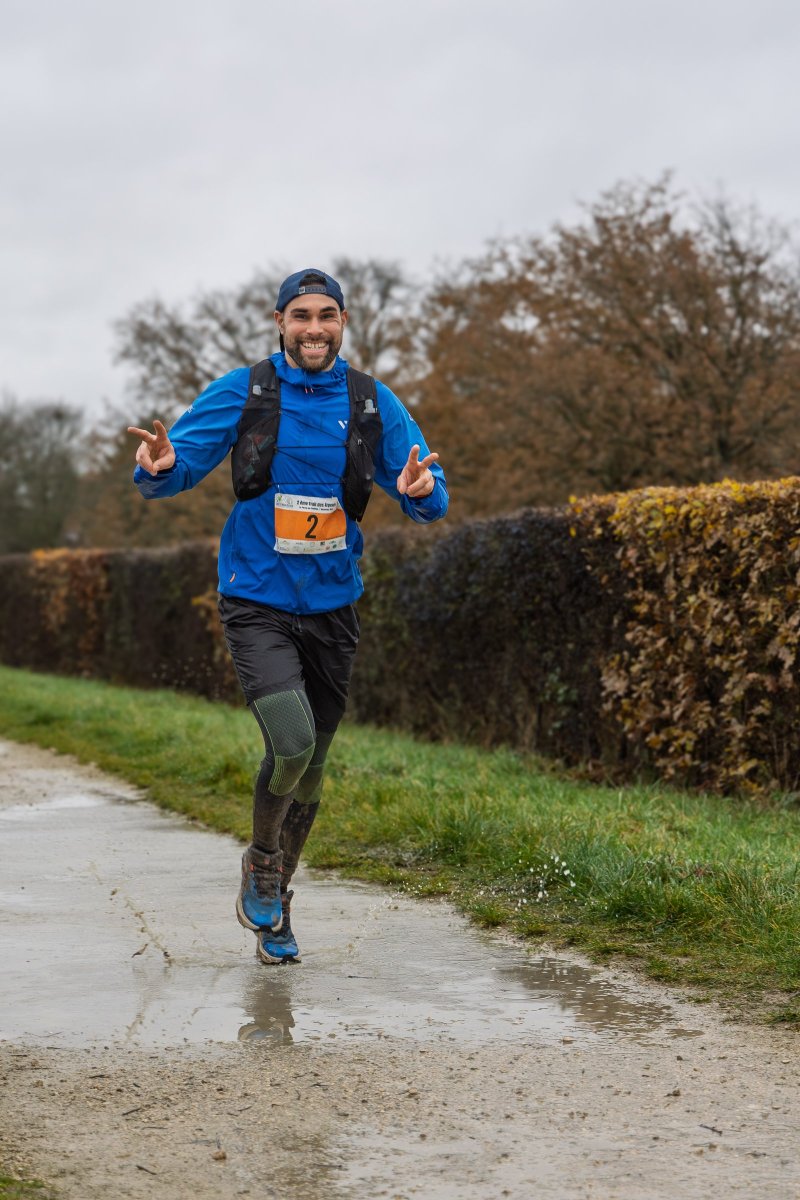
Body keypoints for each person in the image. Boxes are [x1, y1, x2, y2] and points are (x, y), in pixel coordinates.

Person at [128, 268, 447, 965]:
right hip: (256, 601)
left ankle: (276, 908)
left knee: (313, 768)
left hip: (334, 606)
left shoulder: (370, 400)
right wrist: (160, 465)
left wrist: (422, 490)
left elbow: (426, 486)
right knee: (293, 742)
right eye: (300, 316)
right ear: (280, 323)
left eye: (326, 315)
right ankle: (262, 862)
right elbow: (176, 468)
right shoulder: (244, 391)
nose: (314, 328)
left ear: (343, 322)